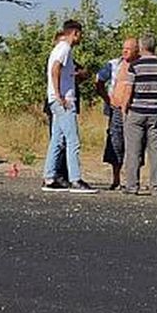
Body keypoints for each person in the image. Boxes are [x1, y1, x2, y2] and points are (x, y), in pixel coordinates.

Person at [42, 20, 97, 194]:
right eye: (80, 34)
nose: (80, 38)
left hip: (57, 100)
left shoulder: (59, 48)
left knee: (57, 141)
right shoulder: (65, 48)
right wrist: (59, 94)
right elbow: (56, 69)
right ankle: (75, 179)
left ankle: (49, 177)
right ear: (74, 33)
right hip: (64, 101)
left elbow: (62, 70)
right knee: (73, 141)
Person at [120, 33, 157, 196]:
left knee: (133, 150)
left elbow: (129, 91)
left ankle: (132, 186)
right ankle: (156, 186)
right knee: (155, 150)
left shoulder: (134, 67)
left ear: (141, 47)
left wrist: (124, 108)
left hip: (137, 112)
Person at [95, 38, 139, 190]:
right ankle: (116, 179)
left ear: (137, 50)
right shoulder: (114, 64)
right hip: (116, 110)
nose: (125, 51)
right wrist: (107, 99)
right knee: (115, 142)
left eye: (129, 48)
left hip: (134, 111)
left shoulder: (140, 65)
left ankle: (132, 180)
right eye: (123, 48)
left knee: (134, 144)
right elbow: (98, 79)